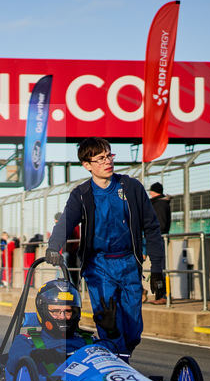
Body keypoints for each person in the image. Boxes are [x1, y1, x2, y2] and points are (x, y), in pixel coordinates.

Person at [46, 137, 165, 357]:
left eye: (109, 155)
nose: (107, 162)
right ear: (87, 165)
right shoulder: (81, 194)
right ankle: (117, 375)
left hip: (129, 264)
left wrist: (158, 268)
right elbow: (66, 222)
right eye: (100, 158)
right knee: (110, 327)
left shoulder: (131, 187)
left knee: (133, 330)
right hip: (98, 267)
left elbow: (152, 228)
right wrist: (53, 247)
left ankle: (121, 359)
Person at [5, 279, 120, 375]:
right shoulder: (28, 341)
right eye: (55, 311)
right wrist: (36, 355)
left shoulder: (87, 340)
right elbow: (13, 365)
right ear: (43, 312)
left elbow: (117, 361)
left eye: (68, 311)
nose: (62, 317)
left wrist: (111, 332)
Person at [148, 183, 171, 304]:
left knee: (159, 268)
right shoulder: (157, 203)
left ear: (154, 191)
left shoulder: (160, 204)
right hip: (155, 239)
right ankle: (160, 295)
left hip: (158, 239)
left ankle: (162, 296)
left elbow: (161, 224)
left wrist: (152, 232)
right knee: (157, 268)